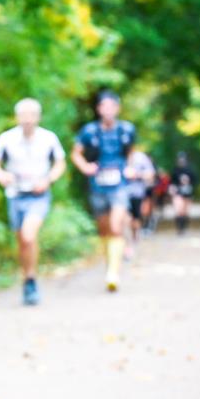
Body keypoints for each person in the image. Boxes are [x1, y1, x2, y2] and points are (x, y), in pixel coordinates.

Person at [0, 98, 66, 305]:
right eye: (23, 115)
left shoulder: (49, 138)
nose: (28, 119)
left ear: (38, 117)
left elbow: (60, 164)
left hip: (38, 196)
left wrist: (48, 180)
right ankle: (28, 277)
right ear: (17, 117)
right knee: (22, 242)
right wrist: (2, 175)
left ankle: (31, 279)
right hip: (15, 195)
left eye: (32, 115)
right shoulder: (6, 139)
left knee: (29, 236)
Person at [69, 90, 136, 292]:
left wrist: (130, 167)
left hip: (119, 183)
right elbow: (76, 154)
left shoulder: (126, 130)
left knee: (116, 225)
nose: (107, 110)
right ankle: (110, 264)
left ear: (117, 108)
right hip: (98, 184)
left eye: (111, 106)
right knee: (104, 229)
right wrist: (85, 168)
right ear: (98, 109)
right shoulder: (89, 131)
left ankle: (113, 273)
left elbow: (131, 151)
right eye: (103, 106)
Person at [124, 146, 156, 257]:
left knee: (135, 219)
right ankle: (127, 246)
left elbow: (151, 174)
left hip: (137, 193)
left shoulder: (141, 157)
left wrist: (137, 175)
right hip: (120, 194)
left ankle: (134, 236)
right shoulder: (115, 154)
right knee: (124, 219)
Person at [170, 152, 198, 235]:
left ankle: (184, 227)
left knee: (185, 211)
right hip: (178, 193)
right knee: (178, 210)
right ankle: (179, 228)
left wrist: (189, 183)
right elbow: (172, 182)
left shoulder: (190, 170)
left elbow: (195, 181)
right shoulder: (175, 170)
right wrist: (173, 188)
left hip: (188, 193)